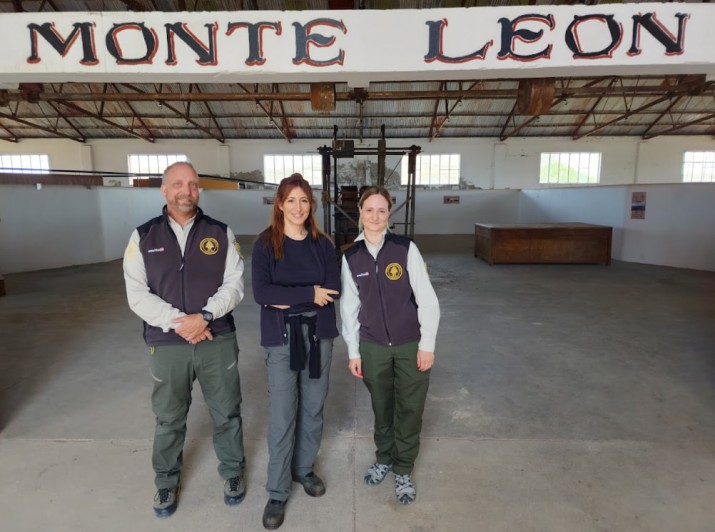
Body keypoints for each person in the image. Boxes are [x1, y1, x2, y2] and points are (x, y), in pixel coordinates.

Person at [123, 161, 246, 518]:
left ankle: (233, 472)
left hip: (217, 338)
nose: (186, 191)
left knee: (227, 412)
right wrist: (182, 323)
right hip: (166, 344)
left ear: (198, 190)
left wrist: (205, 317)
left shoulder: (221, 232)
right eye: (178, 184)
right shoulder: (143, 237)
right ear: (164, 190)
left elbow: (235, 284)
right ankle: (165, 481)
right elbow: (137, 294)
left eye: (192, 185)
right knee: (169, 417)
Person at [340, 186, 440, 505]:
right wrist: (354, 351)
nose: (375, 216)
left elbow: (427, 300)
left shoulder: (405, 248)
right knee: (382, 407)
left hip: (410, 344)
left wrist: (427, 344)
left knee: (410, 408)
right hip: (373, 347)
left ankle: (403, 468)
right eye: (369, 209)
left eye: (382, 210)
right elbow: (348, 308)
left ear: (389, 214)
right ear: (360, 213)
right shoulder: (350, 256)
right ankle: (384, 458)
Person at [251, 173, 340, 530]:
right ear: (280, 204)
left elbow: (332, 287)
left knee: (313, 407)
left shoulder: (323, 245)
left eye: (304, 201)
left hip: (320, 335)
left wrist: (289, 295)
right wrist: (308, 293)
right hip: (281, 338)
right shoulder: (264, 245)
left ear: (311, 206)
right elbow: (262, 293)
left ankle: (304, 468)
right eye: (291, 200)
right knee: (284, 411)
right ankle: (277, 489)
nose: (298, 207)